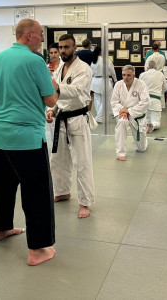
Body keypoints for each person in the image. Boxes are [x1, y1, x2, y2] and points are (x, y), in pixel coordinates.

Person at [0, 19, 58, 266]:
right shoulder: (35, 61)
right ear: (29, 35)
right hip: (26, 137)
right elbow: (50, 100)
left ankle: (1, 228)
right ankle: (38, 250)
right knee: (37, 192)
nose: (42, 39)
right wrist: (55, 86)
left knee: (3, 185)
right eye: (40, 34)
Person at [47, 34, 94, 219]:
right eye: (61, 47)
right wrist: (52, 110)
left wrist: (57, 87)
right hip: (61, 118)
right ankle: (62, 191)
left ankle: (85, 202)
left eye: (66, 47)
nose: (63, 51)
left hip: (77, 119)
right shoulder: (60, 68)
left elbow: (77, 91)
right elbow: (58, 97)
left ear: (75, 48)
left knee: (81, 163)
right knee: (58, 159)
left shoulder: (83, 69)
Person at [111, 65, 149, 161]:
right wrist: (123, 110)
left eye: (128, 75)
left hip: (136, 116)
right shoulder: (118, 85)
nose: (126, 77)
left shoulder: (141, 84)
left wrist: (128, 111)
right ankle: (120, 153)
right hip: (123, 114)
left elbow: (145, 102)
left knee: (141, 149)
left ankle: (143, 141)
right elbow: (114, 102)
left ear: (133, 75)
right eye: (124, 75)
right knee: (122, 122)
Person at [139, 58, 167, 132]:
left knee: (146, 119)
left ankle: (147, 125)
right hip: (156, 100)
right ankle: (153, 125)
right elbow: (165, 88)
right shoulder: (160, 74)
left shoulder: (142, 75)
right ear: (156, 67)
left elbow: (139, 88)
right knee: (156, 121)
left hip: (145, 100)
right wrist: (159, 93)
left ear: (147, 67)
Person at [90, 46, 116, 123]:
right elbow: (113, 72)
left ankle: (101, 116)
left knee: (98, 100)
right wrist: (115, 80)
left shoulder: (93, 61)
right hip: (104, 81)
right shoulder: (107, 61)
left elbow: (91, 73)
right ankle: (99, 117)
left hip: (95, 81)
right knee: (106, 100)